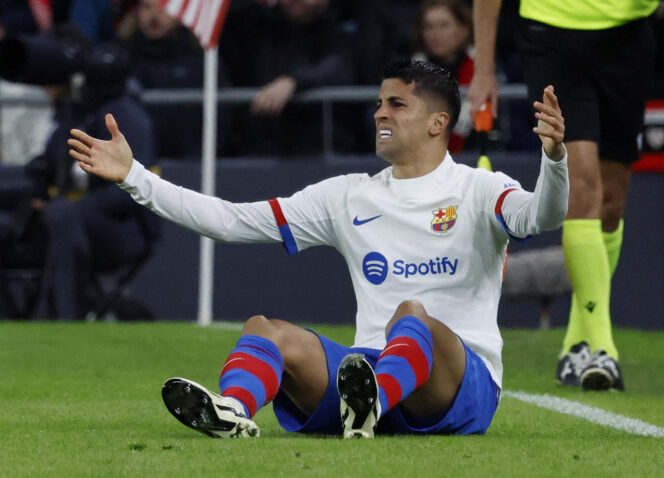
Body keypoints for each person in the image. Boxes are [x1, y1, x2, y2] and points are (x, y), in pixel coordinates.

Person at [68, 60, 568, 438]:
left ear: (439, 123)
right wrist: (134, 177)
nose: (379, 113)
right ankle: (234, 411)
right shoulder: (348, 196)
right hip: (367, 373)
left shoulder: (479, 188)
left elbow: (541, 216)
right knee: (265, 330)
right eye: (378, 103)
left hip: (460, 389)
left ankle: (372, 403)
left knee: (410, 316)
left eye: (396, 104)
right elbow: (229, 220)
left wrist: (554, 159)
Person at [469, 0, 659, 391]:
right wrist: (483, 70)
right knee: (583, 187)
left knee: (610, 205)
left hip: (628, 37)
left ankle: (578, 339)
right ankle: (602, 348)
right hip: (552, 31)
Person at [0, 25, 159, 319]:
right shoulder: (74, 113)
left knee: (63, 214)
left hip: (120, 230)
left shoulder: (120, 111)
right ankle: (9, 321)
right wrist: (35, 198)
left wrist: (75, 207)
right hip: (65, 223)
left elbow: (138, 189)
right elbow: (45, 169)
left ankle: (68, 318)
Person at [218, 0, 356, 156]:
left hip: (320, 143)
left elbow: (339, 68)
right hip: (260, 141)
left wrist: (293, 82)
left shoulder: (338, 31)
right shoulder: (255, 25)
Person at [122, 0, 232, 159]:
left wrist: (198, 159)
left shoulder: (201, 60)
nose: (154, 15)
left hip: (190, 165)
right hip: (135, 165)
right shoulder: (122, 59)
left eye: (163, 7)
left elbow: (221, 117)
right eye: (147, 7)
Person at [411, 0, 475, 153]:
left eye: (444, 25)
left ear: (464, 29)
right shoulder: (408, 74)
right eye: (429, 26)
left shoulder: (483, 70)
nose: (436, 33)